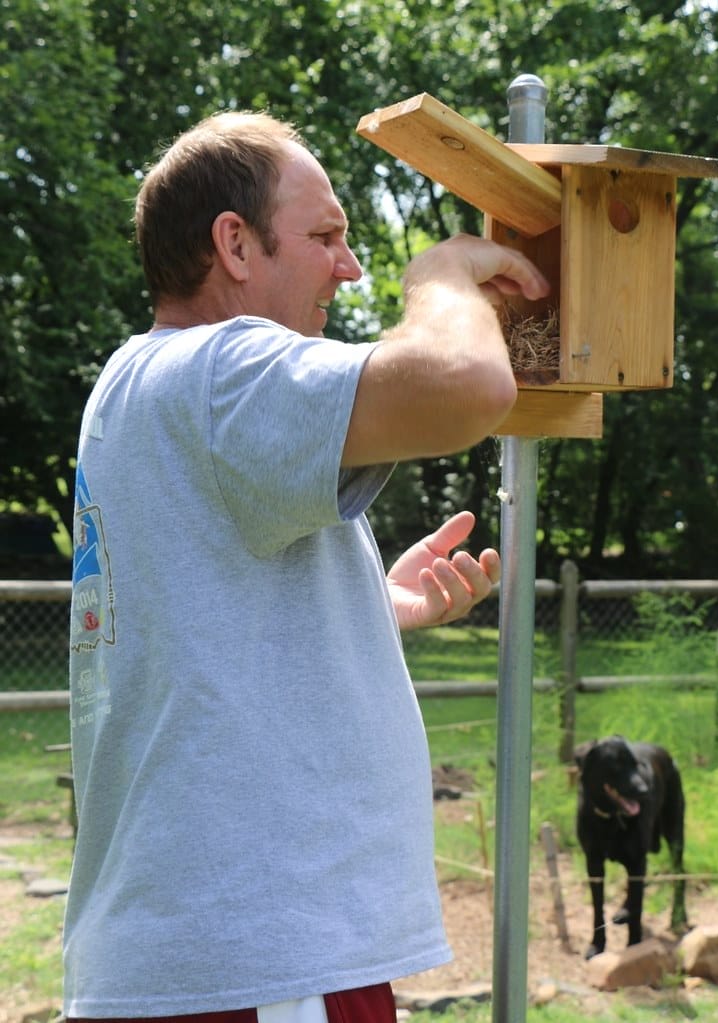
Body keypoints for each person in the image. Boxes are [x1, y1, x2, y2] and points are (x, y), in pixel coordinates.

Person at [64, 111, 549, 1023]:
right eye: (326, 236)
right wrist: (442, 281)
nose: (350, 265)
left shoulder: (138, 386)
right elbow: (467, 387)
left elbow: (199, 617)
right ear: (234, 243)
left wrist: (369, 604)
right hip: (264, 962)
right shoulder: (221, 369)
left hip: (199, 951)